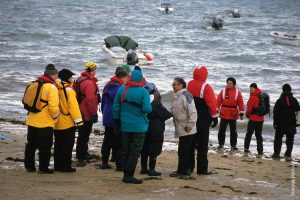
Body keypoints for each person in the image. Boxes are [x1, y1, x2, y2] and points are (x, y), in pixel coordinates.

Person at [113, 69, 152, 184]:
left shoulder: (122, 89)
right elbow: (147, 109)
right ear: (140, 79)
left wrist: (116, 120)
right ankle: (129, 175)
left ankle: (125, 173)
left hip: (125, 125)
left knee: (125, 149)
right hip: (139, 127)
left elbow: (116, 107)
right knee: (135, 151)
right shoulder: (144, 92)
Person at [24, 64, 60, 174]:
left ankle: (29, 166)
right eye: (56, 75)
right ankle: (43, 168)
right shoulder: (51, 87)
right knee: (45, 146)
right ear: (53, 75)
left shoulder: (33, 83)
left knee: (31, 144)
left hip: (31, 120)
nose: (57, 77)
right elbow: (53, 107)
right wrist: (56, 118)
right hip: (44, 122)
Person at [187, 66, 218, 175]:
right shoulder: (206, 87)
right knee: (202, 145)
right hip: (203, 119)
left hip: (190, 117)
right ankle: (202, 169)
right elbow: (211, 103)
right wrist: (215, 117)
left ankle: (189, 168)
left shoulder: (189, 84)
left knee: (190, 144)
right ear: (205, 75)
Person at [54, 69, 83, 173]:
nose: (72, 78)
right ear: (68, 78)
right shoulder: (69, 90)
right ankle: (66, 167)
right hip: (67, 123)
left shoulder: (56, 88)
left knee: (58, 145)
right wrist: (79, 122)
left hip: (57, 123)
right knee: (67, 146)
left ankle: (57, 166)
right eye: (71, 76)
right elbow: (73, 108)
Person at [140, 83, 172, 176]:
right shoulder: (156, 104)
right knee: (154, 149)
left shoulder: (143, 102)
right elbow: (166, 115)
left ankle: (143, 168)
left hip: (144, 128)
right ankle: (152, 169)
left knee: (144, 148)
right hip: (155, 130)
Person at [100, 67, 128, 170]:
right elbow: (121, 103)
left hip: (107, 115)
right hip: (116, 117)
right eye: (126, 77)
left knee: (107, 140)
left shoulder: (108, 85)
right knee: (118, 141)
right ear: (122, 77)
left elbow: (103, 101)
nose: (127, 79)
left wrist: (103, 112)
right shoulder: (120, 88)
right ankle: (118, 163)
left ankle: (104, 162)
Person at [169, 77, 197, 178]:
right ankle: (183, 170)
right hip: (181, 127)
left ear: (181, 85)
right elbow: (173, 110)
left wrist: (190, 125)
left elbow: (193, 112)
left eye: (174, 84)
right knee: (184, 150)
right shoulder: (177, 96)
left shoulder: (186, 95)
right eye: (172, 84)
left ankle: (184, 171)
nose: (172, 86)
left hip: (187, 128)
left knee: (184, 151)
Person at [75, 61, 100, 161]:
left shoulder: (80, 79)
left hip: (80, 110)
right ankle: (82, 154)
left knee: (82, 134)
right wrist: (94, 113)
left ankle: (81, 152)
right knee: (84, 134)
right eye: (95, 70)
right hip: (86, 112)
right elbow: (91, 100)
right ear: (92, 70)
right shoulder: (89, 83)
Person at [272, 84, 300, 160]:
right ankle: (288, 154)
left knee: (278, 139)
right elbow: (298, 111)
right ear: (290, 90)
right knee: (290, 139)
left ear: (283, 90)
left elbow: (275, 113)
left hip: (281, 123)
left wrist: (275, 123)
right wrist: (298, 123)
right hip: (291, 123)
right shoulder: (294, 100)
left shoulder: (279, 100)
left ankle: (276, 154)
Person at [217, 77, 244, 150]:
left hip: (233, 114)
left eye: (230, 83)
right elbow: (218, 100)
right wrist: (217, 109)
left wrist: (241, 112)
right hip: (224, 113)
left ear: (234, 84)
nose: (228, 84)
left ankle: (233, 145)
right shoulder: (223, 91)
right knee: (222, 130)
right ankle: (221, 144)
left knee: (233, 131)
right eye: (228, 83)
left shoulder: (238, 92)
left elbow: (241, 102)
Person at [244, 83, 264, 155]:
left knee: (249, 134)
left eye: (252, 88)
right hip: (261, 119)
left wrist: (247, 114)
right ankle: (260, 151)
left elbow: (249, 108)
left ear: (256, 89)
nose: (251, 89)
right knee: (258, 135)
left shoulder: (253, 96)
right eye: (250, 88)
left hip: (253, 119)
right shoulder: (261, 95)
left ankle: (246, 148)